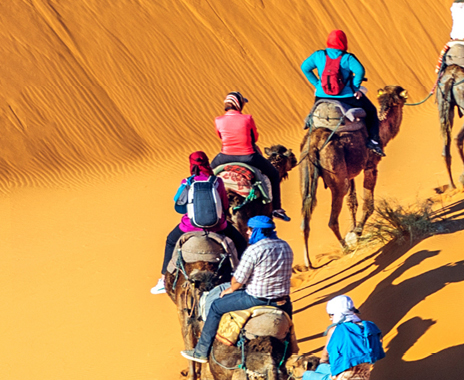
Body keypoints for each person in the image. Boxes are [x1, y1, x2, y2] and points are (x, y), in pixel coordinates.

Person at [181, 214, 293, 362]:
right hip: (282, 301)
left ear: (257, 231)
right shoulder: (285, 246)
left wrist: (231, 289)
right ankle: (291, 354)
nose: (247, 232)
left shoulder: (254, 250)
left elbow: (238, 280)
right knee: (288, 326)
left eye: (250, 230)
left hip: (255, 299)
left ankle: (201, 351)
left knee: (216, 306)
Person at [153, 152, 241, 294]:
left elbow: (180, 206)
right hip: (217, 227)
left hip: (189, 226)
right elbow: (224, 205)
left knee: (170, 241)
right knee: (239, 241)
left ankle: (163, 279)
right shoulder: (217, 181)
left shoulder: (186, 182)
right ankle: (242, 275)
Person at [299, 30, 384, 155]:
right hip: (345, 96)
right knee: (371, 111)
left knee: (316, 114)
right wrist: (355, 88)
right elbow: (360, 71)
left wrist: (317, 84)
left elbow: (304, 67)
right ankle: (374, 141)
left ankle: (309, 126)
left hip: (322, 96)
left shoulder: (318, 55)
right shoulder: (347, 58)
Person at [214, 91, 288, 220]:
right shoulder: (247, 118)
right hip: (248, 156)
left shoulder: (218, 120)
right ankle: (276, 208)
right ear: (239, 104)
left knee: (206, 175)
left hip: (224, 156)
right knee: (274, 175)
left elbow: (220, 136)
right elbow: (255, 137)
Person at [299, 295, 385, 380]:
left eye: (331, 315)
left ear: (337, 314)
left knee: (307, 375)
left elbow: (324, 357)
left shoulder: (335, 330)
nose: (330, 319)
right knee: (323, 368)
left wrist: (323, 362)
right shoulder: (370, 327)